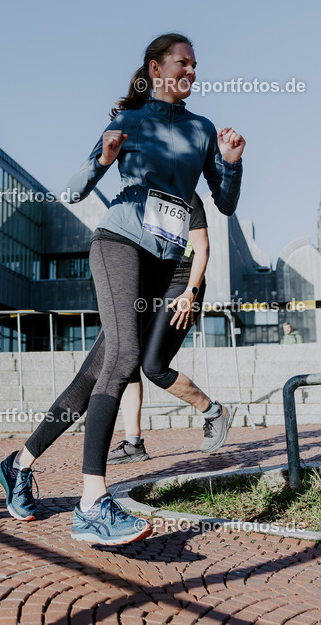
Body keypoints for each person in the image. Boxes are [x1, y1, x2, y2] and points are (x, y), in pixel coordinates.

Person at [0, 33, 244, 545]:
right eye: (183, 63)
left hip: (164, 262)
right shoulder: (129, 121)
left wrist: (231, 162)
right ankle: (92, 503)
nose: (192, 72)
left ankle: (18, 464)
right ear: (156, 68)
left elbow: (224, 204)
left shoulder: (201, 129)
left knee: (95, 373)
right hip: (119, 244)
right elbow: (73, 191)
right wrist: (103, 159)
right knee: (126, 358)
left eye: (195, 65)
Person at [106, 193, 233, 465]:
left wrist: (191, 292)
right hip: (148, 287)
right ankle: (133, 443)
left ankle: (213, 412)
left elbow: (202, 247)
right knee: (128, 359)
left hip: (181, 283)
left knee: (154, 366)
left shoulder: (185, 195)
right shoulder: (138, 196)